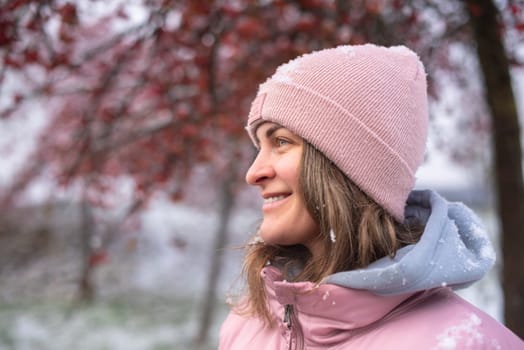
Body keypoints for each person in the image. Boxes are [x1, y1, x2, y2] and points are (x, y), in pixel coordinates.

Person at [218, 44, 523, 349]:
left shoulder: (465, 343)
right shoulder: (246, 327)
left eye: (281, 141)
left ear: (351, 169)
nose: (253, 173)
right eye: (260, 147)